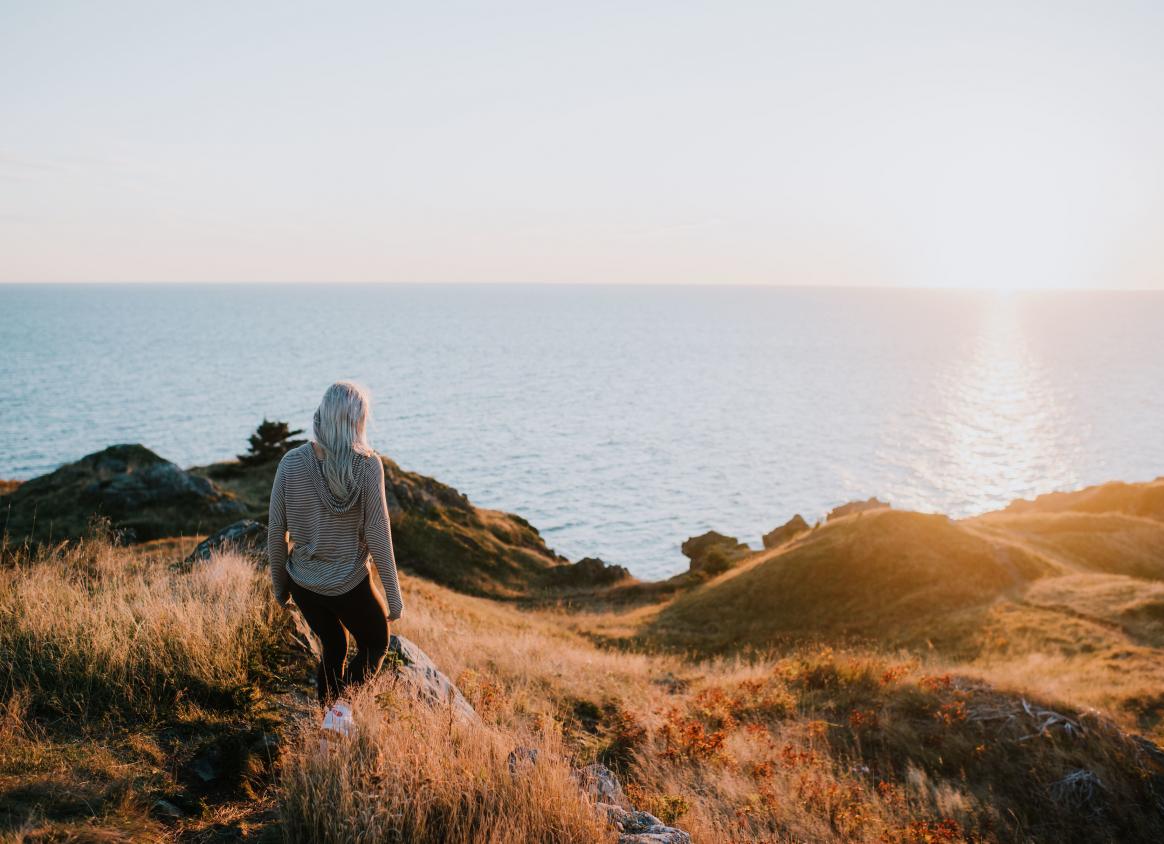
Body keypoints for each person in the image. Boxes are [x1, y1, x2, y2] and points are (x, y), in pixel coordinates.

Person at [267, 381, 404, 706]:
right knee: (374, 644)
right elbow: (379, 533)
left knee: (334, 645)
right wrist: (393, 595)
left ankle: (330, 721)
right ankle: (339, 715)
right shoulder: (368, 465)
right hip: (349, 586)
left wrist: (280, 587)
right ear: (358, 420)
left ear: (323, 415)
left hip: (303, 584)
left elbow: (276, 531)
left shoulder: (290, 463)